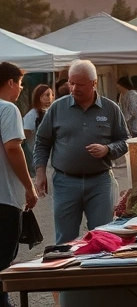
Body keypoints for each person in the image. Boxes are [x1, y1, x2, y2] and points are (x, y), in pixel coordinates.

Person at [34, 59, 129, 244]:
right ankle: (67, 272)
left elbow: (126, 141)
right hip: (65, 183)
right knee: (65, 240)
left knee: (103, 237)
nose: (73, 88)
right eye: (71, 82)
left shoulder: (110, 109)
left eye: (80, 84)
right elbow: (42, 141)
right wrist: (40, 172)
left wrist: (107, 149)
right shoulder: (57, 108)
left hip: (100, 183)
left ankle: (101, 272)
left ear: (94, 83)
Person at [1, 63, 38, 307]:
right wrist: (29, 186)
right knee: (3, 261)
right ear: (11, 82)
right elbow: (13, 148)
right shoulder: (8, 109)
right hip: (4, 198)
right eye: (21, 84)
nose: (21, 90)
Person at [23, 84, 54, 178]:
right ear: (39, 97)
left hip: (52, 160)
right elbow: (24, 136)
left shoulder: (52, 112)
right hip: (37, 159)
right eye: (47, 95)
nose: (50, 98)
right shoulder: (32, 115)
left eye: (52, 95)